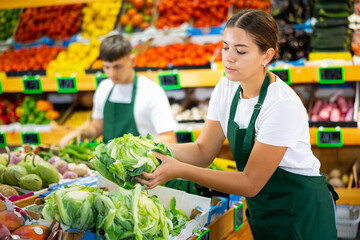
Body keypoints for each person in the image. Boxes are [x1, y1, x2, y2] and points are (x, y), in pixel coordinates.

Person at [136, 10, 338, 240]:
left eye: (240, 51)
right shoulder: (226, 88)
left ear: (267, 56)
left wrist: (180, 170)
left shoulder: (281, 105)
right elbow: (203, 151)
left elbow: (250, 182)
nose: (229, 57)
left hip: (303, 214)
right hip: (266, 212)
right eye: (225, 47)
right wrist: (150, 148)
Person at [60, 34, 177, 146]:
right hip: (109, 165)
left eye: (118, 67)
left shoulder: (151, 91)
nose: (112, 73)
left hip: (143, 164)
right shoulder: (104, 88)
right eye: (107, 67)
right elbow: (97, 128)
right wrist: (79, 133)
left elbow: (169, 138)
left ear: (133, 60)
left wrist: (138, 148)